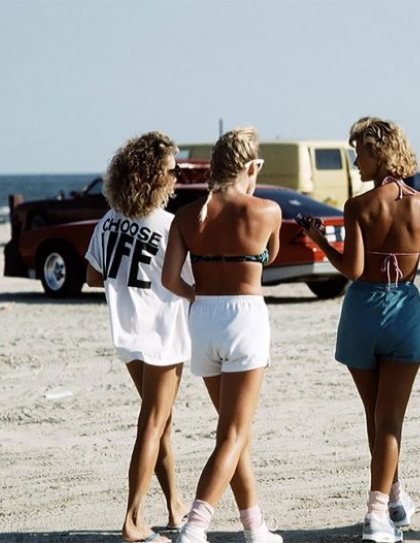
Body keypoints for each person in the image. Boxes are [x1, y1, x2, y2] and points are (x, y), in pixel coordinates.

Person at [300, 116, 420, 542]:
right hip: (404, 309)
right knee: (389, 420)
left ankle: (392, 499)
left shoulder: (359, 206)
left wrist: (321, 240)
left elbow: (353, 269)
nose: (356, 161)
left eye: (359, 152)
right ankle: (379, 512)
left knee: (376, 416)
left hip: (363, 311)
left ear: (378, 152)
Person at [162, 127, 283, 543]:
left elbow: (170, 278)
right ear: (251, 167)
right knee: (233, 435)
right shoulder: (267, 210)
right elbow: (273, 256)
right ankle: (195, 527)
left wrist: (199, 294)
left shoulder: (186, 215)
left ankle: (255, 527)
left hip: (203, 317)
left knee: (233, 435)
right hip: (245, 317)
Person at [84, 131, 190, 543]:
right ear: (151, 176)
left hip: (127, 334)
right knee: (153, 423)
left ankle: (174, 505)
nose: (177, 176)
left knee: (160, 423)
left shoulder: (107, 221)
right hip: (162, 333)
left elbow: (94, 277)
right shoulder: (168, 226)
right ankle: (132, 520)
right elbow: (187, 281)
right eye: (170, 170)